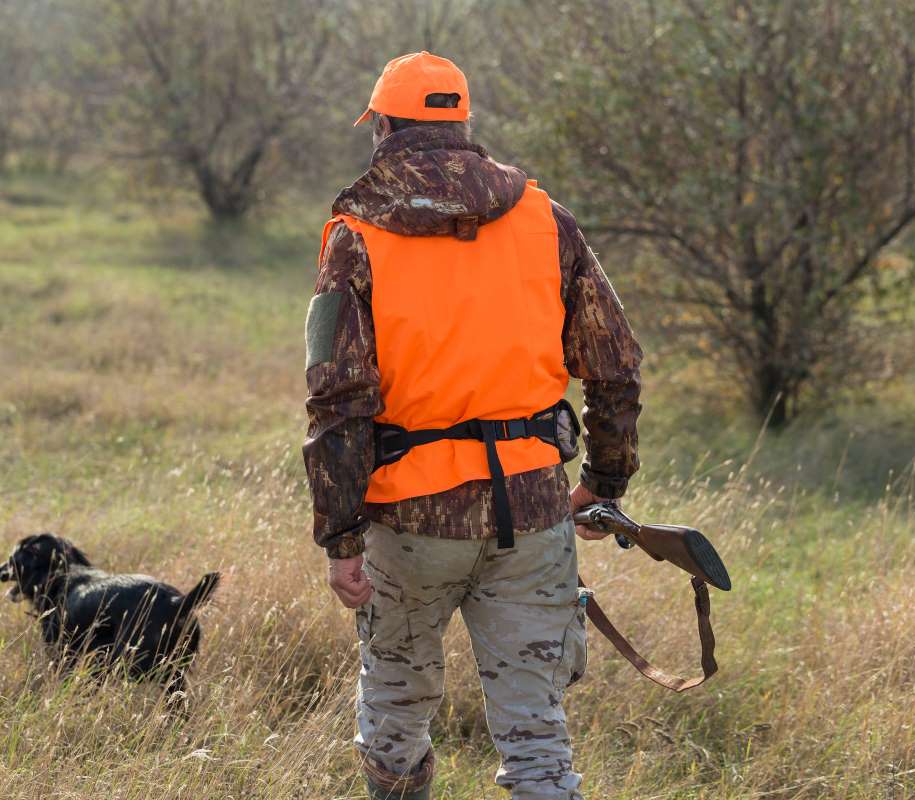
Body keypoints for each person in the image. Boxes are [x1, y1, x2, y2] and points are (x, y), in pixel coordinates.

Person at [303, 51, 643, 800]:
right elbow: (616, 367)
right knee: (537, 731)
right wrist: (602, 483)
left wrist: (340, 538)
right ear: (462, 124)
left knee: (395, 711)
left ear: (385, 127)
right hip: (533, 507)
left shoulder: (355, 236)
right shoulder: (544, 219)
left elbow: (336, 403)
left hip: (412, 521)